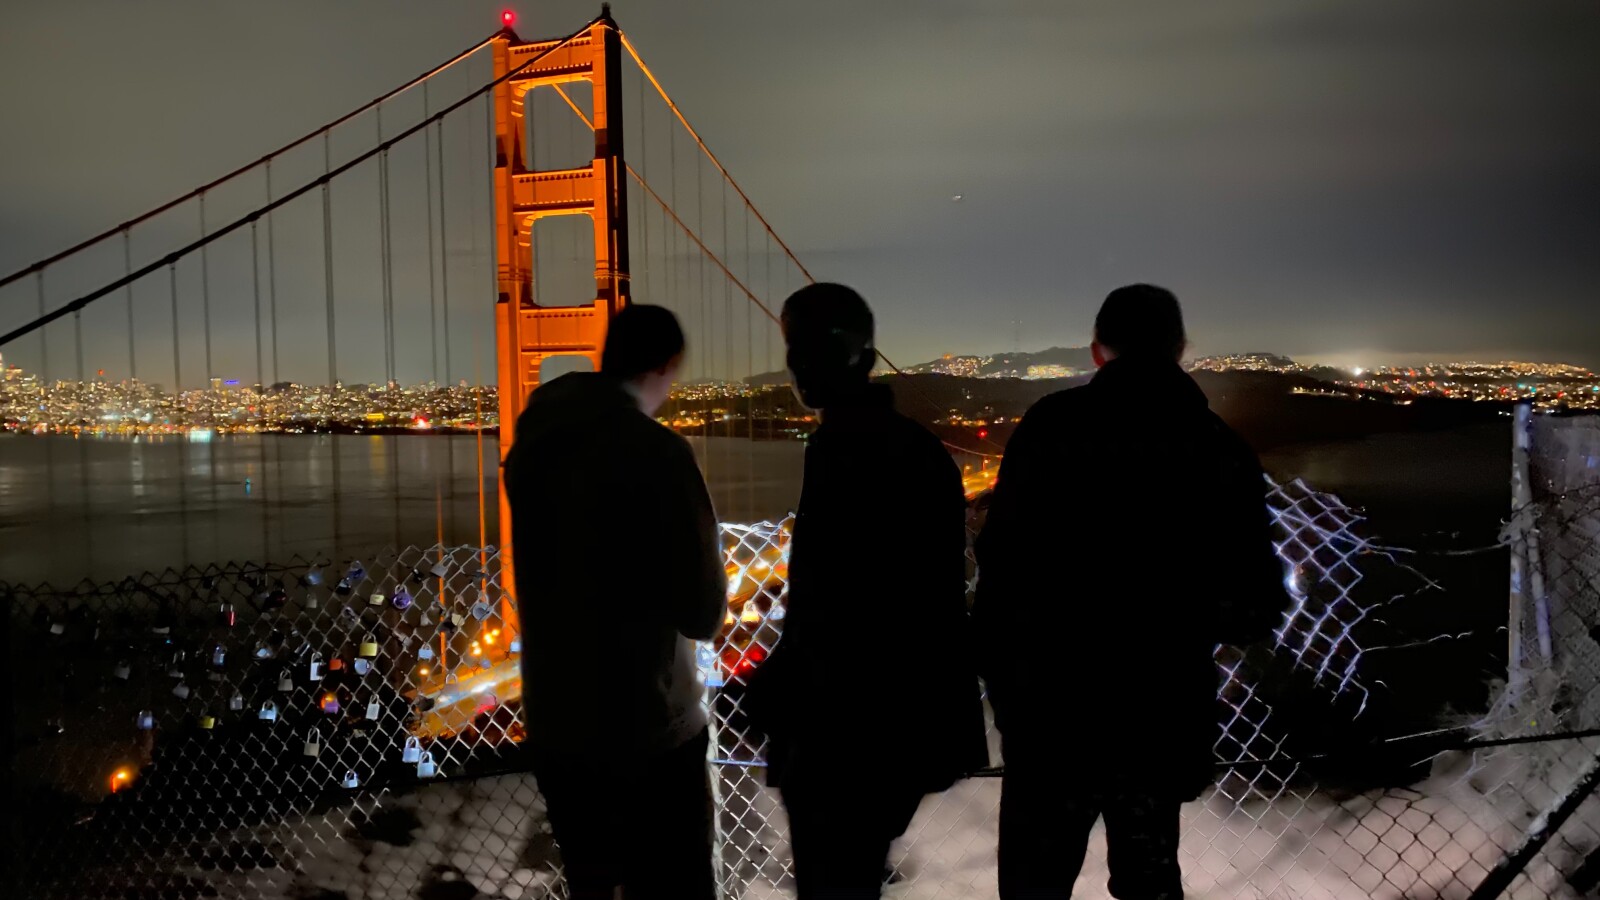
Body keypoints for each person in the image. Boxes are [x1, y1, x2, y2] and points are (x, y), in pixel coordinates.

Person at [973, 284, 1291, 900]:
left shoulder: (1050, 428)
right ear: (1180, 348)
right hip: (1157, 718)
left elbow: (1001, 569)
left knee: (1033, 885)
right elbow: (1256, 605)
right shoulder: (1217, 446)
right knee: (1149, 883)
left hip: (1051, 715)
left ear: (1098, 350)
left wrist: (1008, 688)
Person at [745, 282, 988, 899]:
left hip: (841, 734)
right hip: (899, 727)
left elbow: (835, 608)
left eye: (808, 348)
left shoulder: (843, 450)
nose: (799, 365)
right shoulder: (916, 450)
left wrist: (777, 688)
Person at [503, 304, 726, 900]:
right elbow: (703, 612)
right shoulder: (660, 454)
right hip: (650, 733)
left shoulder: (531, 450)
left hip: (559, 728)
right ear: (666, 366)